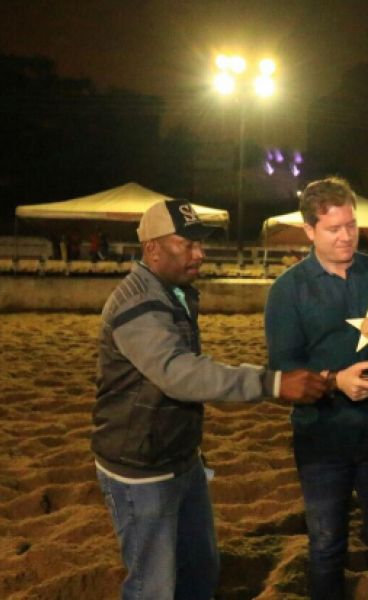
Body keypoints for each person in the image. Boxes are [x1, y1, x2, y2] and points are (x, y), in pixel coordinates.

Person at [92, 198, 326, 600]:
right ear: (152, 249)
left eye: (200, 243)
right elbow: (180, 374)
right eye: (188, 244)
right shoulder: (139, 304)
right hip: (141, 469)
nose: (200, 253)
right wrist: (270, 383)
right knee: (154, 587)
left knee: (199, 570)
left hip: (177, 457)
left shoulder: (171, 291)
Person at [265, 177, 368, 600]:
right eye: (333, 228)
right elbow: (283, 372)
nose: (346, 236)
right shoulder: (287, 291)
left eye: (351, 224)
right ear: (309, 230)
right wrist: (336, 381)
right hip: (321, 438)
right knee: (326, 546)